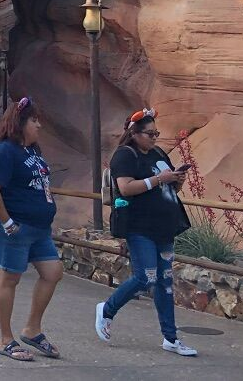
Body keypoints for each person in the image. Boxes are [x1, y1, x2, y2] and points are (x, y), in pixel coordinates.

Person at [95, 108, 197, 357]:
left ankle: (171, 338)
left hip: (164, 226)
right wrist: (160, 180)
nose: (154, 138)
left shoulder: (158, 153)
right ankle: (107, 309)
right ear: (134, 133)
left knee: (166, 282)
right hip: (139, 226)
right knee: (145, 277)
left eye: (156, 133)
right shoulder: (125, 156)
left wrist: (176, 180)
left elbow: (168, 183)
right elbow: (126, 187)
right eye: (149, 134)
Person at [0, 97, 63, 362]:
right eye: (34, 120)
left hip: (38, 226)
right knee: (11, 278)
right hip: (16, 225)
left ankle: (32, 329)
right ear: (20, 123)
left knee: (53, 272)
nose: (39, 125)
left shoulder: (33, 150)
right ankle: (5, 339)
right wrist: (7, 222)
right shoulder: (5, 151)